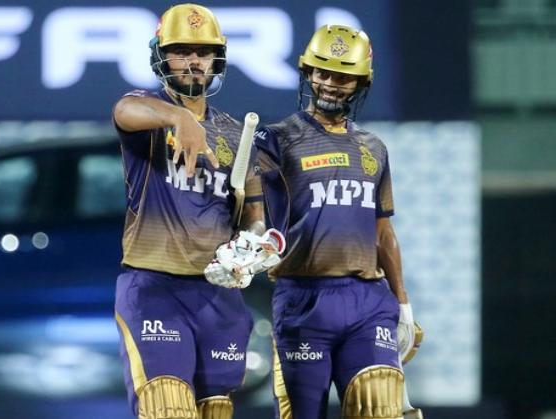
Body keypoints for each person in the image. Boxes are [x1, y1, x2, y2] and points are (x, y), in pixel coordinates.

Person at [111, 4, 282, 418]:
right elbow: (123, 111)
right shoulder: (149, 115)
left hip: (218, 297)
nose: (192, 61)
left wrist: (250, 247)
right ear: (160, 57)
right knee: (167, 407)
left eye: (202, 52)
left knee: (215, 411)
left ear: (216, 60)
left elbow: (253, 216)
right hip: (154, 290)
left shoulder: (236, 134)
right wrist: (179, 118)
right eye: (180, 51)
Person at [252, 25, 424, 419]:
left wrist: (403, 303)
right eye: (323, 73)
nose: (331, 84)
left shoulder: (374, 148)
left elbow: (382, 231)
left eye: (343, 76)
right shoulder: (275, 139)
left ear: (360, 83)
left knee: (379, 410)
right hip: (303, 297)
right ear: (308, 73)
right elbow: (249, 205)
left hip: (368, 300)